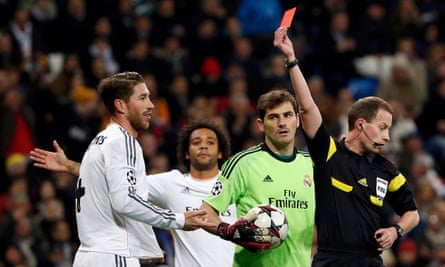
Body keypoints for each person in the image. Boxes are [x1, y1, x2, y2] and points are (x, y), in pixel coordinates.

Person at [30, 71, 215, 267]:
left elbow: (106, 183)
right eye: (142, 98)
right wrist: (178, 219)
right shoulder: (124, 141)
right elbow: (125, 201)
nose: (151, 105)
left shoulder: (101, 141)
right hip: (113, 255)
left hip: (90, 255)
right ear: (121, 105)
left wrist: (68, 165)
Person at [273, 27, 420, 267]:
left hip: (371, 261)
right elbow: (308, 108)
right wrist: (291, 59)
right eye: (382, 127)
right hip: (330, 260)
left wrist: (396, 231)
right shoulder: (328, 153)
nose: (387, 137)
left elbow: (412, 213)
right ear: (361, 124)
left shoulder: (386, 169)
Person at [31, 119, 238, 267]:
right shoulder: (171, 182)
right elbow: (115, 184)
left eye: (210, 142)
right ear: (186, 152)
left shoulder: (237, 185)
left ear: (220, 152)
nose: (203, 146)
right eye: (196, 142)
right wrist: (68, 165)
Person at [199, 89, 316, 267]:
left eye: (288, 115)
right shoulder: (243, 163)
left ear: (298, 120)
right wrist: (229, 231)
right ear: (261, 124)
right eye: (273, 117)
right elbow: (205, 213)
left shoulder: (312, 166)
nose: (282, 123)